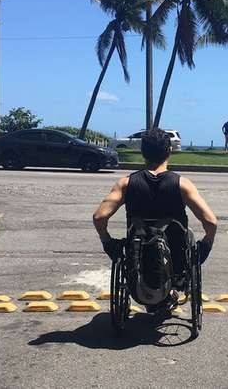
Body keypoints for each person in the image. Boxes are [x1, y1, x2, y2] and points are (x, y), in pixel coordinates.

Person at [93, 128, 218, 313]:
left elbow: (99, 217)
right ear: (169, 151)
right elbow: (211, 222)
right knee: (188, 237)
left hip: (138, 255)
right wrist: (206, 244)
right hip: (177, 257)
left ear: (143, 153)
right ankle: (175, 286)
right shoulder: (182, 184)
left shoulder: (126, 183)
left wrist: (107, 242)